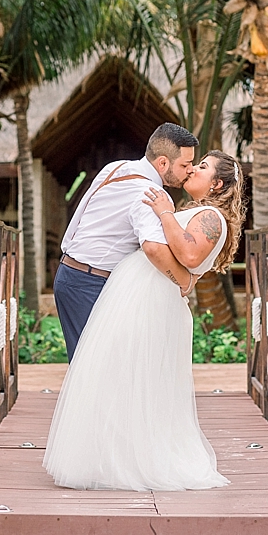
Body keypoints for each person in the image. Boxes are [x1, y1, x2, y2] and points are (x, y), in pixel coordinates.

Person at [43, 150, 246, 491]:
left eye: (203, 167)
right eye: (194, 164)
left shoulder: (211, 216)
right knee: (122, 376)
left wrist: (166, 215)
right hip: (139, 296)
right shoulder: (196, 211)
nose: (194, 170)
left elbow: (190, 253)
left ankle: (128, 461)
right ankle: (113, 457)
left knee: (123, 375)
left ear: (217, 184)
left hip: (149, 300)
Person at [53, 123, 199, 361]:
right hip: (90, 284)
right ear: (163, 163)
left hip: (72, 275)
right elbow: (153, 248)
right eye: (185, 165)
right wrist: (185, 281)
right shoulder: (150, 194)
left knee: (92, 368)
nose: (190, 171)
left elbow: (80, 213)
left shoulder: (117, 167)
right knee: (97, 370)